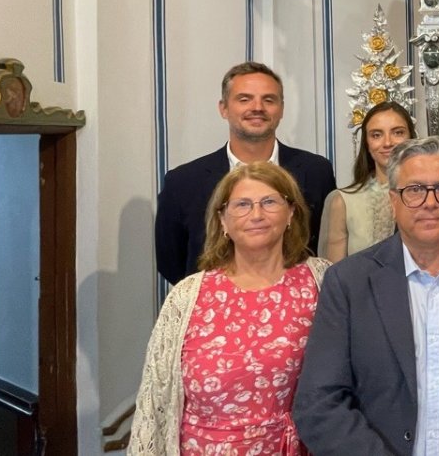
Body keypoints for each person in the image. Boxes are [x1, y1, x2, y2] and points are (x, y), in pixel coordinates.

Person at [293, 136, 439, 456]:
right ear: (393, 201)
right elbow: (319, 403)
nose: (430, 202)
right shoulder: (349, 281)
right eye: (414, 190)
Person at [130, 162, 331, 455]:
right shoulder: (187, 296)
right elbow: (154, 397)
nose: (257, 215)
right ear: (222, 220)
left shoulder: (322, 282)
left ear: (291, 213)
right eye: (242, 205)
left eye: (270, 202)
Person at [154, 62, 336, 285]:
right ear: (223, 108)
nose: (257, 107)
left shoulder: (317, 171)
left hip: (298, 308)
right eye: (244, 99)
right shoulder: (182, 182)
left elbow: (324, 245)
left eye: (269, 100)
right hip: (214, 312)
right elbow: (170, 262)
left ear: (281, 109)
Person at [319, 101, 416, 260]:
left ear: (411, 137)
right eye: (376, 135)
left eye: (397, 133)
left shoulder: (432, 195)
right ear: (366, 142)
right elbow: (334, 275)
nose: (387, 143)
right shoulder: (343, 201)